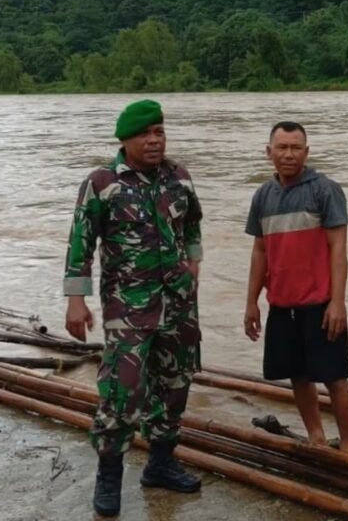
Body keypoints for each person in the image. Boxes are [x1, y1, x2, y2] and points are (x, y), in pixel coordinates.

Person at [63, 99, 204, 517]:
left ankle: (160, 463)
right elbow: (80, 242)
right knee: (123, 391)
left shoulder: (179, 177)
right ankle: (109, 472)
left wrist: (194, 260)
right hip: (128, 308)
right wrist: (76, 299)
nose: (155, 140)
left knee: (176, 385)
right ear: (125, 140)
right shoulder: (103, 182)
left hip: (178, 304)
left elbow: (193, 221)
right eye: (146, 134)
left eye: (159, 131)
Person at [243, 121, 348, 452]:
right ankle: (316, 437)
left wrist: (338, 303)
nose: (288, 154)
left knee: (335, 377)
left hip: (320, 304)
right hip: (282, 304)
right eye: (282, 147)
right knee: (298, 376)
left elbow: (339, 249)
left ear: (306, 152)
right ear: (269, 153)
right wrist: (252, 302)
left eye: (295, 148)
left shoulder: (325, 190)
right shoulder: (263, 195)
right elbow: (260, 251)